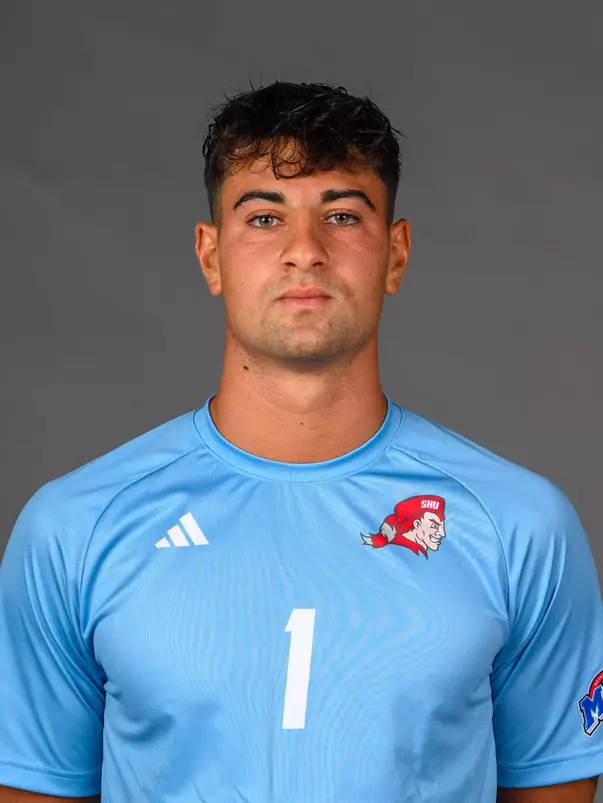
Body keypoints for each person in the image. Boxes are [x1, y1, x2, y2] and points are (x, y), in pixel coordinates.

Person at [0, 80, 601, 803]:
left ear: (396, 252)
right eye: (262, 217)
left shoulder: (519, 525)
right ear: (210, 254)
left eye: (342, 215)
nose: (303, 251)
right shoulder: (72, 528)